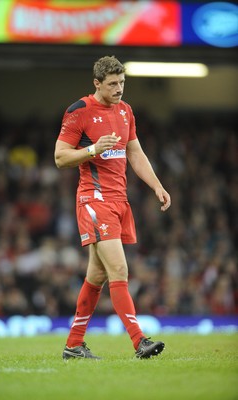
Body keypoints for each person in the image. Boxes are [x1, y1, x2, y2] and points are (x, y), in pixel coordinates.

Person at [54, 55, 171, 360]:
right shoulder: (79, 111)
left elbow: (135, 151)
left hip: (120, 202)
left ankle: (74, 344)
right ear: (97, 84)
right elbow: (60, 157)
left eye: (122, 83)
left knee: (97, 276)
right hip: (94, 201)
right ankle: (139, 341)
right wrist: (92, 149)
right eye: (112, 84)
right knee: (119, 269)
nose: (119, 89)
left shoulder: (125, 111)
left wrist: (156, 185)